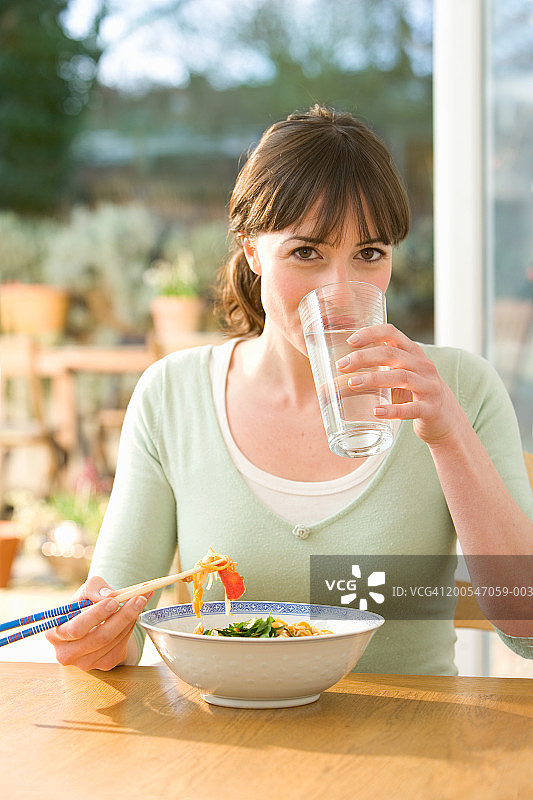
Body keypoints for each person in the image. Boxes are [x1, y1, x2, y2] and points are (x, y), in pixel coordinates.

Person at [46, 105, 533, 673]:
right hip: (227, 744)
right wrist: (95, 637)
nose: (340, 288)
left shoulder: (460, 389)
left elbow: (528, 632)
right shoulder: (171, 397)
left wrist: (449, 435)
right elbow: (120, 627)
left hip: (410, 750)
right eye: (307, 253)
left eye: (369, 255)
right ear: (252, 250)